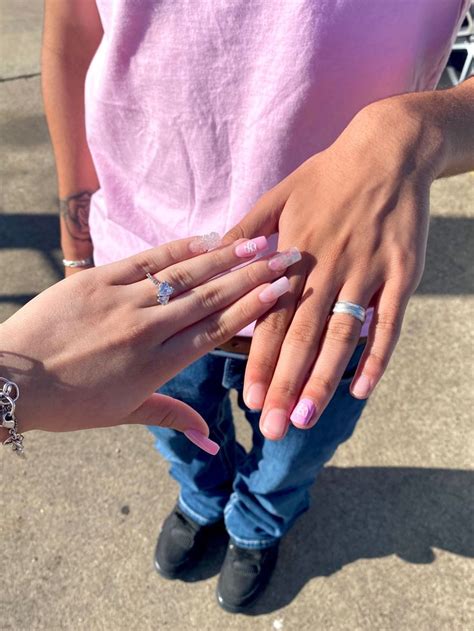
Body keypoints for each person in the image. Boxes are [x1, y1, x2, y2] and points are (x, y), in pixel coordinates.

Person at [42, 0, 474, 613]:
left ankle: (257, 522)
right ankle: (204, 497)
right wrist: (76, 225)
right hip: (147, 263)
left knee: (294, 446)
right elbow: (74, 30)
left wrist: (418, 132)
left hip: (329, 286)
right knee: (176, 427)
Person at [1, 235, 295, 450]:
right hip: (138, 332)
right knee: (188, 456)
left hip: (306, 308)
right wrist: (77, 258)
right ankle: (206, 506)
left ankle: (258, 523)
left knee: (287, 461)